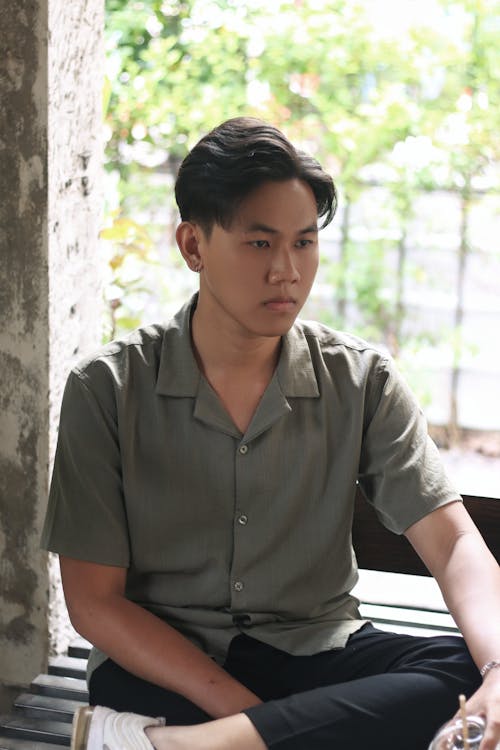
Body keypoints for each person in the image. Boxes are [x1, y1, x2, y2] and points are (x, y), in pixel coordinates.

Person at [41, 117, 500, 750]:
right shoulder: (107, 389)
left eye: (305, 243)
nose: (287, 271)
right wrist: (252, 713)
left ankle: (174, 746)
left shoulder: (361, 380)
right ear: (193, 245)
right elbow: (95, 604)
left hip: (317, 652)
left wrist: (499, 672)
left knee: (457, 670)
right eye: (260, 244)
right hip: (168, 668)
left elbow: (451, 545)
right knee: (380, 719)